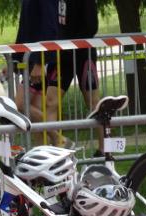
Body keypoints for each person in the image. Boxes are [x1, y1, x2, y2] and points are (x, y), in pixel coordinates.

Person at [43, 0, 102, 150]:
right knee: (50, 101)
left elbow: (92, 27)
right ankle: (55, 147)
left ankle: (105, 150)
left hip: (84, 54)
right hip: (61, 56)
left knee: (93, 103)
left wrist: (71, 44)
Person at [10, 0, 60, 146]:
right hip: (33, 59)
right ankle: (43, 152)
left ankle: (58, 138)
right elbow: (24, 30)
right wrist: (13, 61)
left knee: (21, 104)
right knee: (35, 110)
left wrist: (40, 62)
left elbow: (50, 27)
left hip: (41, 60)